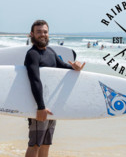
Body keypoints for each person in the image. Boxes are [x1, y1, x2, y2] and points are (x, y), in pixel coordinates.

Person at [24, 20, 85, 157]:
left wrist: (75, 67)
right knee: (35, 144)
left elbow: (63, 67)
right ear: (32, 34)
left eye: (45, 32)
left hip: (52, 106)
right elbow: (34, 80)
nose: (42, 34)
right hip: (40, 106)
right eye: (39, 32)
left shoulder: (50, 51)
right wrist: (40, 107)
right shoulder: (32, 54)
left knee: (46, 144)